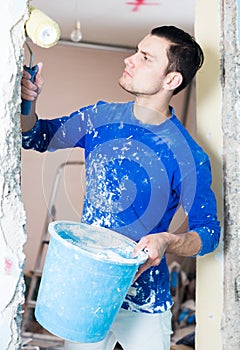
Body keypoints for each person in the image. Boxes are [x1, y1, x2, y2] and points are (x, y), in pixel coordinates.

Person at [21, 26, 220, 350]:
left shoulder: (188, 156)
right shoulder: (100, 117)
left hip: (143, 302)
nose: (130, 60)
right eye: (136, 51)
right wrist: (28, 105)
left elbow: (209, 234)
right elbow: (36, 136)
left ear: (171, 81)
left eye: (145, 57)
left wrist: (166, 240)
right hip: (89, 290)